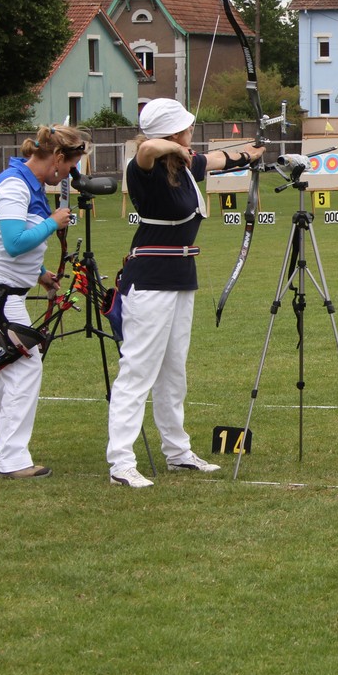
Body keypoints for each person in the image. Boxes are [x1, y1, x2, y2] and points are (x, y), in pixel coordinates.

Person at [106, 99, 267, 488]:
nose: (190, 134)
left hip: (180, 277)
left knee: (173, 373)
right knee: (138, 371)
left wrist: (253, 153)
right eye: (185, 130)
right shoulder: (144, 168)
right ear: (173, 133)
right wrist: (175, 147)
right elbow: (145, 148)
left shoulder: (184, 165)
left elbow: (219, 160)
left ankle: (178, 452)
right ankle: (121, 462)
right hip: (149, 280)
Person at [0, 125, 89, 478]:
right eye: (67, 168)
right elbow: (15, 242)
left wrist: (42, 273)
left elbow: (10, 248)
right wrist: (52, 221)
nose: (66, 177)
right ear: (57, 158)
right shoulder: (15, 185)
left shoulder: (25, 182)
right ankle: (9, 461)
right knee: (25, 366)